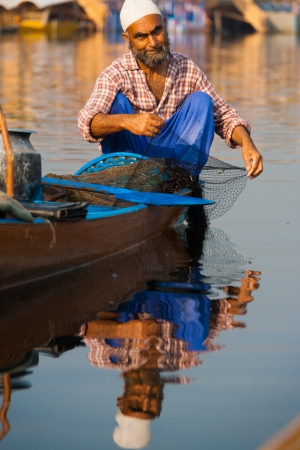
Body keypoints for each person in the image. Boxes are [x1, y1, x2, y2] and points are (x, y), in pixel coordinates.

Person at [78, 0, 263, 179]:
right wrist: (128, 121)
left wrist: (247, 144)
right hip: (130, 164)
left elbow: (224, 116)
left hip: (176, 162)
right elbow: (86, 122)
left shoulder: (186, 68)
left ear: (164, 25)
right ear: (127, 39)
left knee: (201, 101)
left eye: (156, 31)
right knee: (117, 103)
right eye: (141, 36)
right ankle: (126, 182)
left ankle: (184, 180)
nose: (152, 43)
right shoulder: (115, 74)